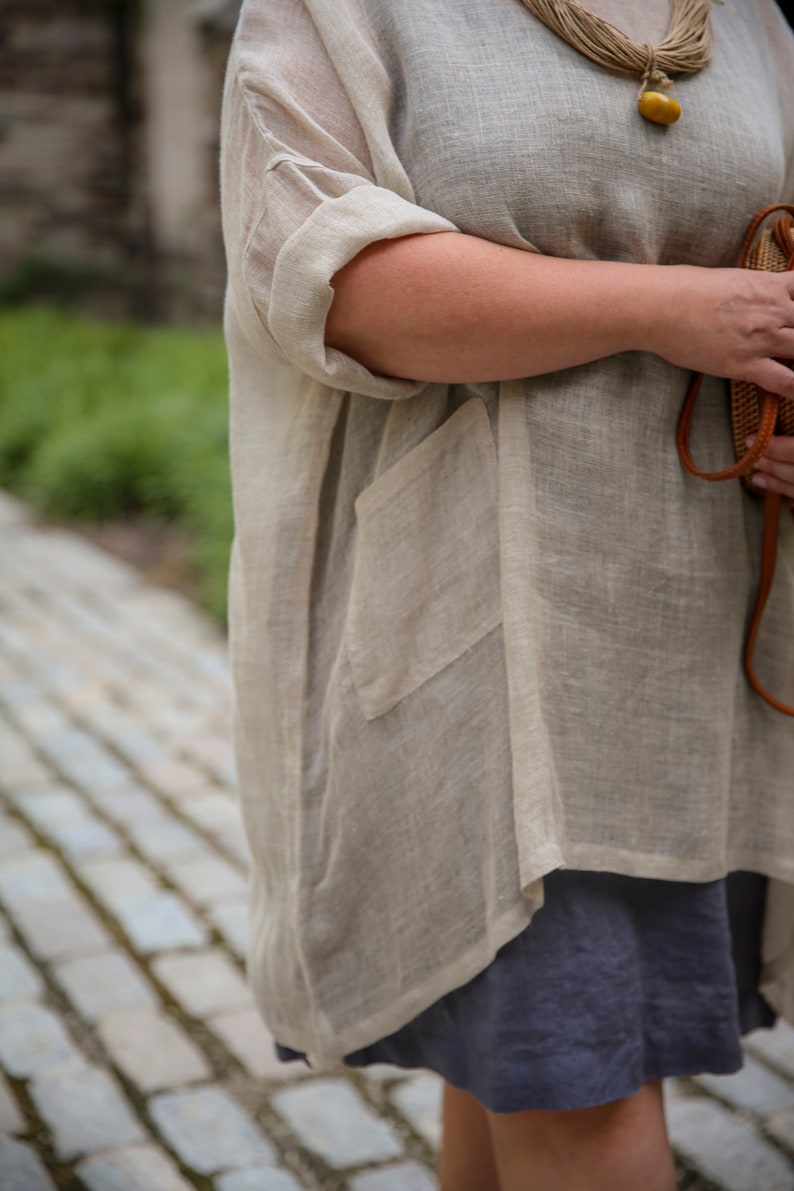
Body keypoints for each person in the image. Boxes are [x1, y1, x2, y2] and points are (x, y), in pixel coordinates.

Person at [219, 1, 794, 1186]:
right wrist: (669, 310)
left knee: (526, 1067)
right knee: (575, 1074)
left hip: (699, 638)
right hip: (483, 620)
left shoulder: (745, 19)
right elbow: (330, 276)